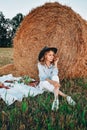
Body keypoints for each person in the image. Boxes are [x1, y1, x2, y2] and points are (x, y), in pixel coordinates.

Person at [37, 46, 76, 111]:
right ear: (45, 55)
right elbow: (43, 77)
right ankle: (66, 96)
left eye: (52, 55)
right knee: (47, 83)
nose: (52, 56)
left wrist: (55, 64)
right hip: (44, 83)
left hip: (52, 83)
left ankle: (55, 100)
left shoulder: (52, 65)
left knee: (56, 77)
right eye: (50, 55)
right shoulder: (40, 65)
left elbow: (54, 74)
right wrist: (53, 82)